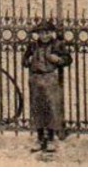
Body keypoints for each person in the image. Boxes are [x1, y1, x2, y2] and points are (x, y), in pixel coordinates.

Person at [23, 19, 73, 152]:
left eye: (47, 33)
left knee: (51, 107)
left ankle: (50, 138)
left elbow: (68, 59)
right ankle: (39, 138)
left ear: (51, 33)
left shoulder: (57, 45)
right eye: (41, 33)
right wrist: (27, 61)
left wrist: (59, 60)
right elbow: (24, 60)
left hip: (50, 77)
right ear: (37, 34)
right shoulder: (33, 46)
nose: (44, 36)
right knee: (37, 108)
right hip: (35, 78)